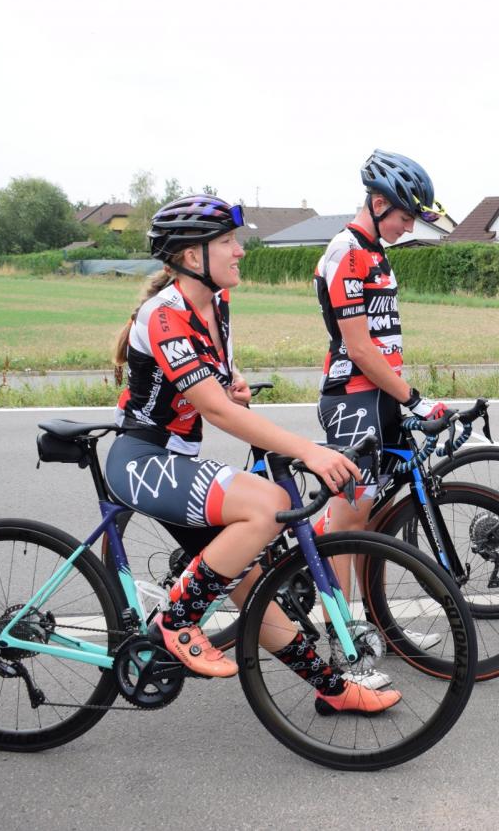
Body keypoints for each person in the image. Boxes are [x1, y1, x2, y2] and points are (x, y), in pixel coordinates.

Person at [107, 194, 399, 714]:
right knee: (268, 504)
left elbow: (215, 383)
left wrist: (231, 381)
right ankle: (176, 621)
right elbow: (215, 410)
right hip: (144, 460)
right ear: (192, 256)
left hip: (177, 459)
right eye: (227, 242)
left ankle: (334, 689)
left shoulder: (217, 304)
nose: (240, 251)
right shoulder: (164, 315)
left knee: (255, 586)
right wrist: (310, 451)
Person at [312, 150, 450, 687]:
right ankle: (343, 648)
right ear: (376, 202)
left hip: (379, 398)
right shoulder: (347, 252)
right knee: (348, 526)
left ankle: (377, 627)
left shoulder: (375, 253)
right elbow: (360, 348)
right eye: (404, 215)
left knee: (370, 523)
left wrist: (400, 398)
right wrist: (414, 399)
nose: (409, 226)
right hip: (354, 399)